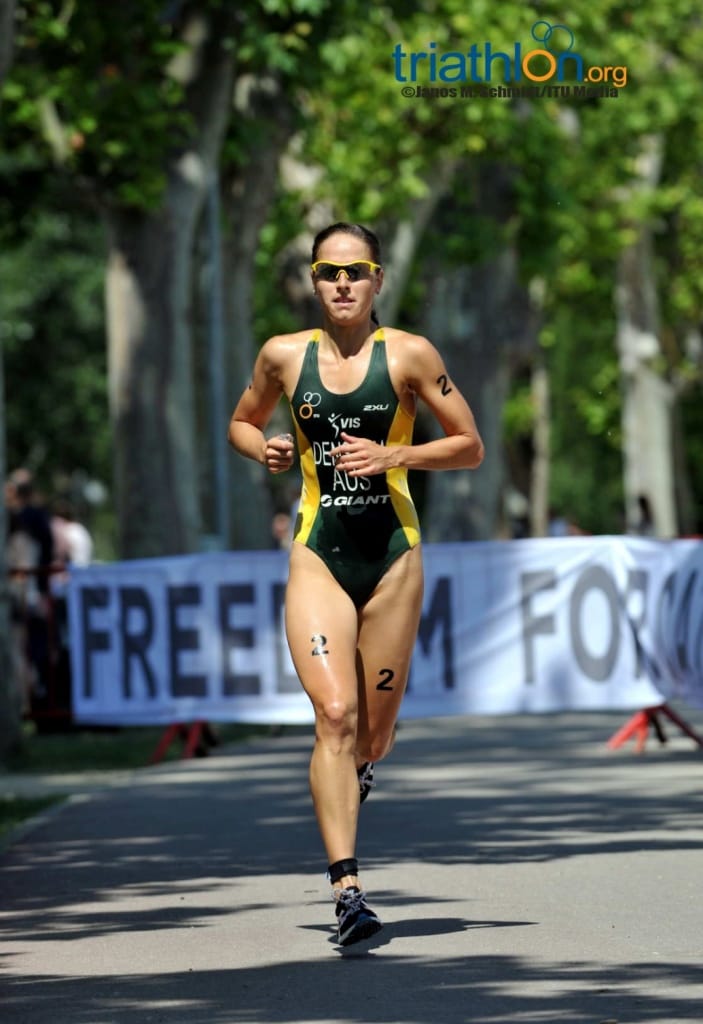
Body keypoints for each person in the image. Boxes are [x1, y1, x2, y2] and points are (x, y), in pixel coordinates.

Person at [228, 222, 484, 949]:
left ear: (377, 281)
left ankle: (364, 764)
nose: (341, 284)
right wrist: (267, 448)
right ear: (313, 281)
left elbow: (468, 445)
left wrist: (394, 452)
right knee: (334, 715)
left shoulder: (407, 354)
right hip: (318, 554)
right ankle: (348, 893)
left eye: (356, 271)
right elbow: (241, 424)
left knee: (371, 734)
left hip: (393, 558)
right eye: (327, 272)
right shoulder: (283, 356)